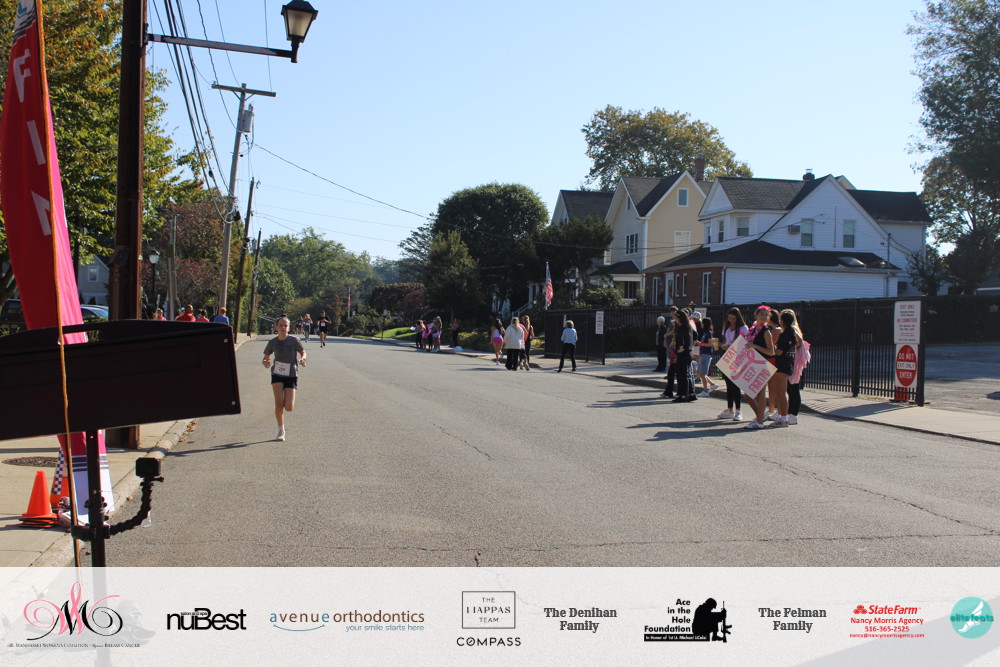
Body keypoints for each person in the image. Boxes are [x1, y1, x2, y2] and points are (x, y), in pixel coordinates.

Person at [262, 317, 306, 442]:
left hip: (291, 374)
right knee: (278, 403)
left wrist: (303, 359)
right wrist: (265, 362)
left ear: (289, 328)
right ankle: (281, 430)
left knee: (289, 407)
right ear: (276, 327)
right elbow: (266, 357)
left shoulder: (294, 340)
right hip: (277, 373)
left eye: (285, 325)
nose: (282, 327)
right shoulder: (272, 342)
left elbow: (303, 351)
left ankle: (282, 426)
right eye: (280, 325)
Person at [742, 306, 776, 429]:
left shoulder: (766, 331)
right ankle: (760, 417)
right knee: (747, 394)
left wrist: (755, 346)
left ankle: (759, 421)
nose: (764, 317)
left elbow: (771, 352)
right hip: (752, 364)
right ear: (756, 315)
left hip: (762, 364)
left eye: (766, 315)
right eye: (762, 314)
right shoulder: (752, 329)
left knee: (760, 394)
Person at [773, 309, 805, 426]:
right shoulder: (790, 332)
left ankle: (788, 415)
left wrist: (773, 348)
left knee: (789, 391)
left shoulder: (789, 333)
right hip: (790, 363)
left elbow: (780, 351)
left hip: (788, 363)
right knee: (788, 390)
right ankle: (785, 414)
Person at [718, 307, 748, 421]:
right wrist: (722, 345)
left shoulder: (743, 328)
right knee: (728, 384)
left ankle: (738, 410)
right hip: (727, 355)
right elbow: (726, 341)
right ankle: (730, 409)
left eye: (734, 318)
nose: (731, 320)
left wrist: (730, 346)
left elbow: (745, 343)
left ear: (738, 318)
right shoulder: (727, 327)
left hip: (737, 357)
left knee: (735, 384)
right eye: (730, 318)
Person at [672, 310, 696, 403]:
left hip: (683, 353)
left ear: (679, 318)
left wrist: (680, 348)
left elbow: (681, 339)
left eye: (676, 318)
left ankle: (683, 395)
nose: (675, 319)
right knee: (686, 374)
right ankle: (691, 394)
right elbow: (695, 335)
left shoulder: (681, 328)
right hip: (688, 353)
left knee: (681, 375)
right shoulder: (688, 327)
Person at [695, 316, 718, 397]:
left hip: (706, 354)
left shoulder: (708, 333)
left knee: (703, 374)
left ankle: (705, 391)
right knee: (699, 373)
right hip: (703, 354)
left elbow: (710, 344)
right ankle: (712, 384)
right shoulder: (705, 333)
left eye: (702, 323)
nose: (701, 324)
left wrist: (700, 344)